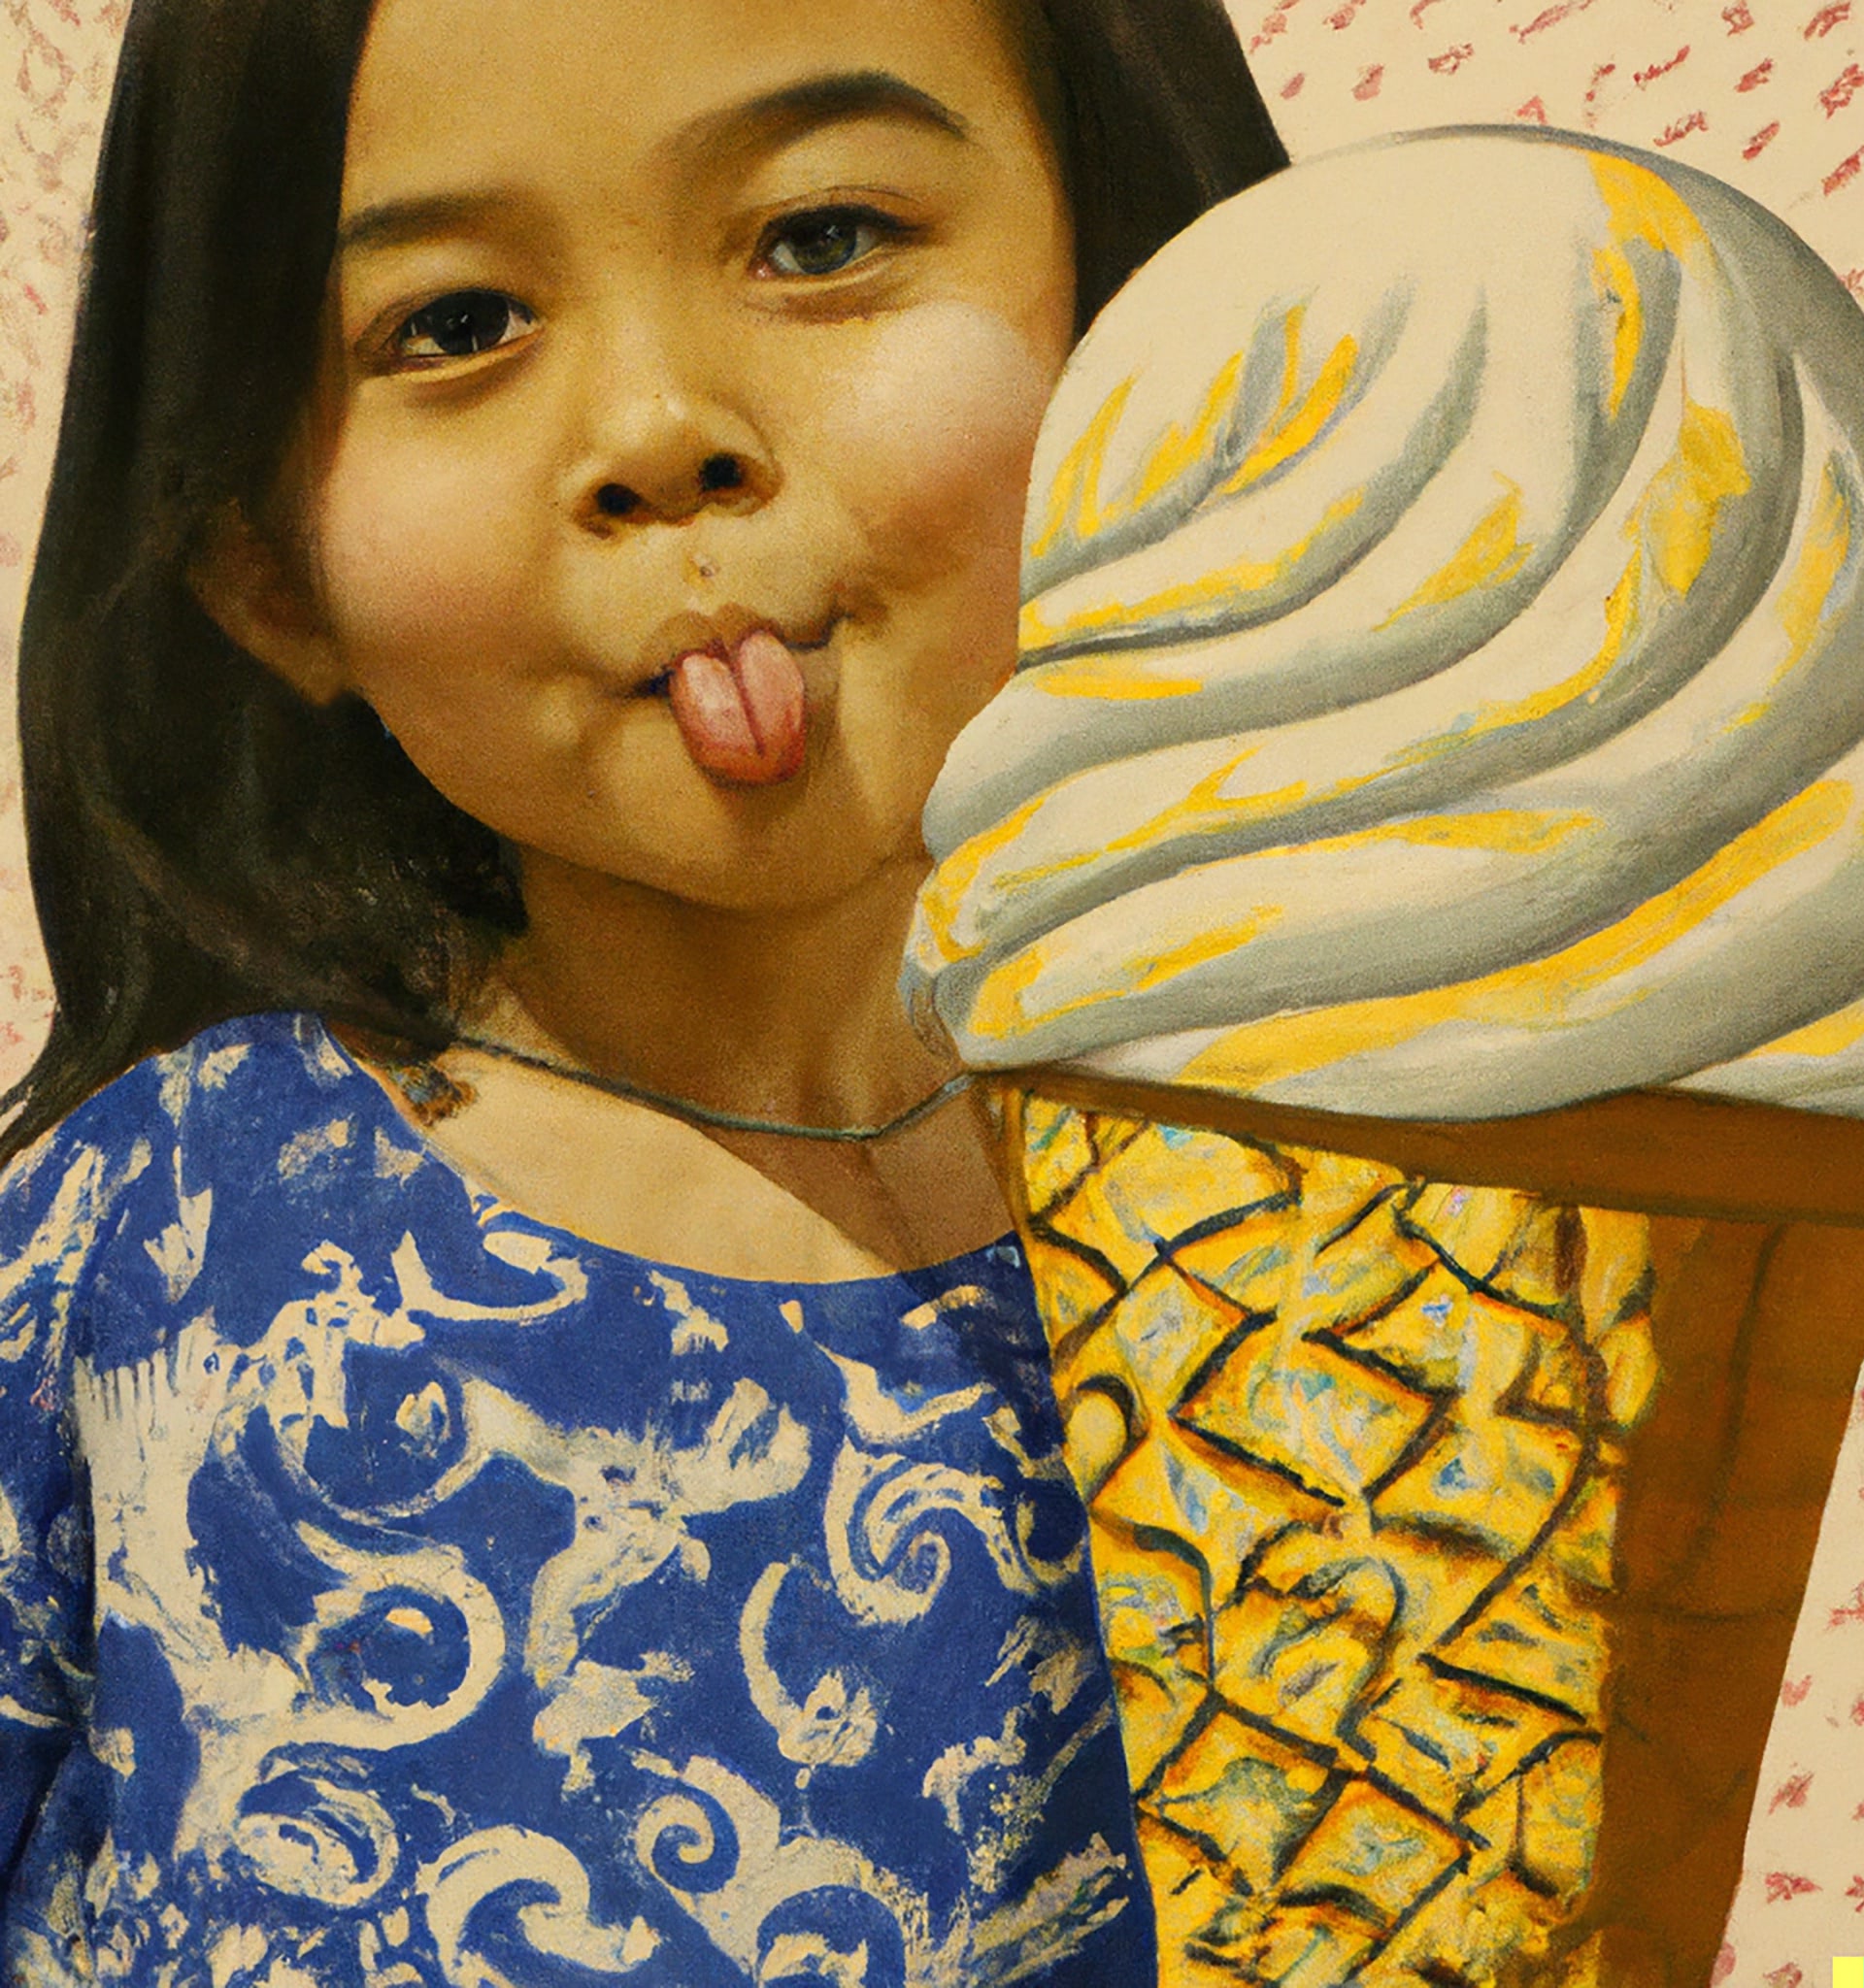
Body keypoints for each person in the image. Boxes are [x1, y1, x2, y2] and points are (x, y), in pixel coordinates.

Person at [0, 0, 1285, 1980]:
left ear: (1150, 307)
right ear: (264, 569)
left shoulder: (1358, 1268)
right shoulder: (144, 1247)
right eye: (452, 325)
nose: (660, 431)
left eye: (824, 237)